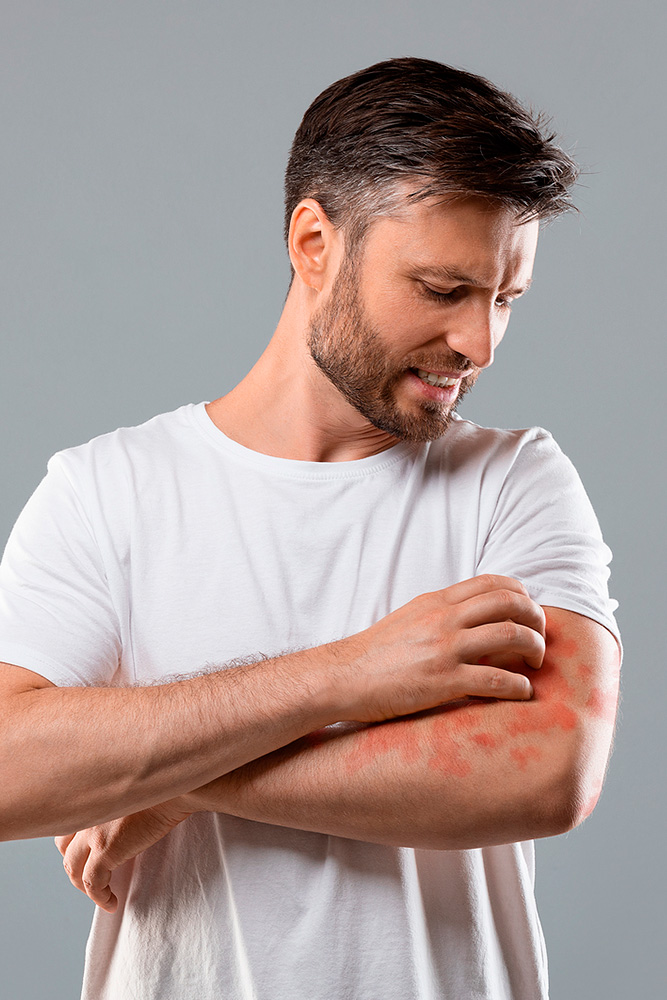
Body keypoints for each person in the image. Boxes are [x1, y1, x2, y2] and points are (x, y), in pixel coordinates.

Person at [0, 57, 620, 1000]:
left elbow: (545, 772)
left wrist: (170, 781)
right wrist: (348, 673)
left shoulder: (512, 481)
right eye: (442, 289)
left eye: (505, 299)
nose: (480, 344)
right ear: (313, 241)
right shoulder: (107, 491)